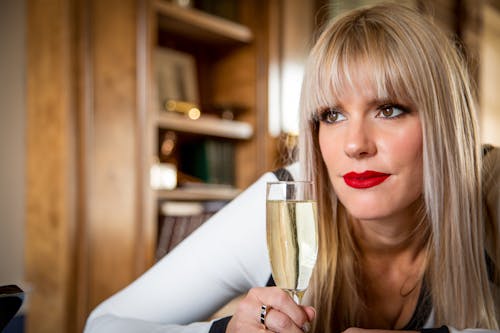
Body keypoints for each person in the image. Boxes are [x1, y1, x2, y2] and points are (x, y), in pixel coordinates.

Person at [84, 3, 500, 333]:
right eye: (332, 116)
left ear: (445, 123)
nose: (355, 145)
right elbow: (102, 326)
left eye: (388, 109)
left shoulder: (491, 189)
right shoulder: (285, 202)